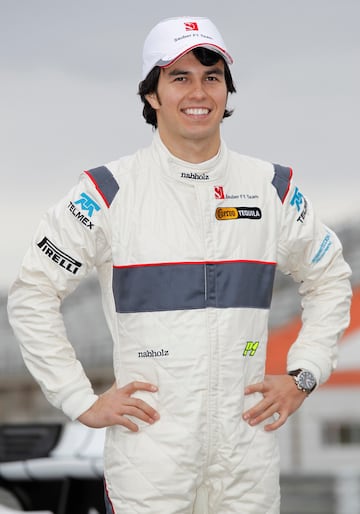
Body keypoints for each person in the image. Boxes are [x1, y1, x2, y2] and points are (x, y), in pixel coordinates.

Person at [8, 16, 352, 514]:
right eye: (179, 77)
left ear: (227, 91)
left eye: (212, 77)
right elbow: (33, 290)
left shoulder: (272, 187)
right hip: (150, 461)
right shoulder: (106, 192)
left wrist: (304, 375)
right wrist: (79, 399)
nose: (199, 91)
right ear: (152, 95)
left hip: (246, 460)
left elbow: (331, 277)